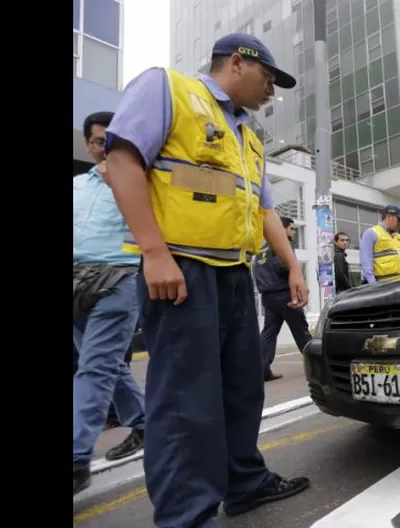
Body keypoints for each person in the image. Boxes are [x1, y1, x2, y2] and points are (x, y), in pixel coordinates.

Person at [102, 34, 310, 527]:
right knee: (184, 399)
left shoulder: (248, 135)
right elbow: (122, 161)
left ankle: (244, 482)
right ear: (237, 62)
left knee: (242, 389)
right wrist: (154, 252)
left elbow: (263, 211)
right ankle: (187, 515)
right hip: (181, 269)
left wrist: (295, 265)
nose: (271, 92)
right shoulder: (168, 89)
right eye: (268, 79)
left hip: (235, 275)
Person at [73, 111, 149, 495]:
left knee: (94, 367)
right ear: (89, 144)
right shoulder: (76, 186)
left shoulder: (139, 182)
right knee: (104, 364)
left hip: (118, 278)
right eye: (100, 141)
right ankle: (143, 421)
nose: (107, 147)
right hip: (75, 284)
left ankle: (75, 459)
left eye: (114, 140)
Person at [255, 216, 313, 382]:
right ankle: (317, 366)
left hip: (268, 297)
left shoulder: (261, 251)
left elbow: (258, 274)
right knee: (301, 330)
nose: (294, 232)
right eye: (292, 228)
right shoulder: (282, 245)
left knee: (269, 333)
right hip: (284, 295)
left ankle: (262, 370)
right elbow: (282, 267)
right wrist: (295, 268)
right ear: (283, 229)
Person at [358, 205, 400, 284]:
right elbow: (366, 261)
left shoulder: (399, 237)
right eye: (399, 220)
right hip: (385, 286)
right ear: (390, 217)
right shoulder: (371, 233)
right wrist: (373, 285)